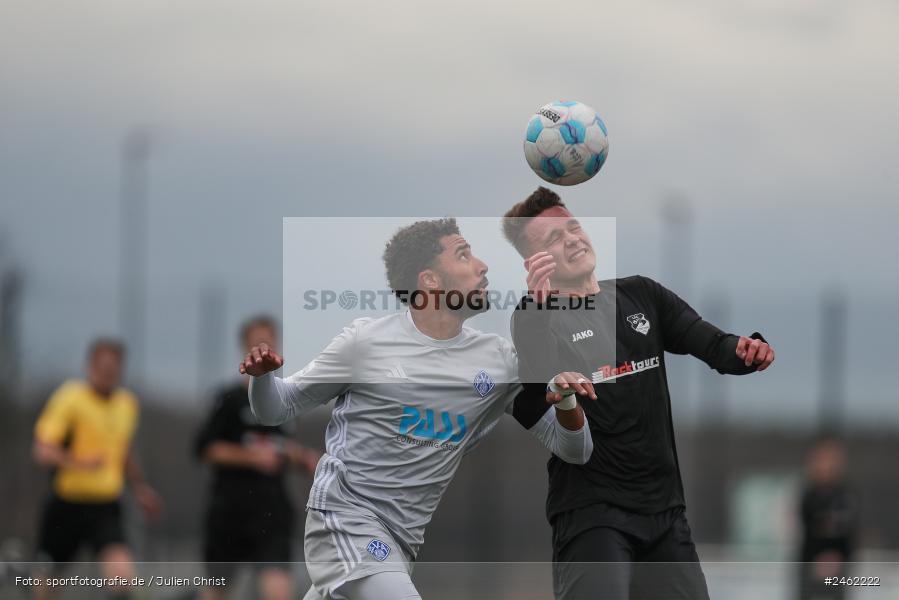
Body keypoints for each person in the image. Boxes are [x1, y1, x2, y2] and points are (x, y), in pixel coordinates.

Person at [242, 218, 596, 600]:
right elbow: (276, 408)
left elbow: (575, 449)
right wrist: (262, 378)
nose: (482, 265)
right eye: (464, 254)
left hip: (400, 543)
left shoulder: (500, 363)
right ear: (430, 281)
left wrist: (566, 400)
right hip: (343, 520)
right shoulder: (367, 342)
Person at [502, 187, 776, 600]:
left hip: (665, 515)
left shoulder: (641, 295)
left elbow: (714, 344)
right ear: (534, 262)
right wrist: (539, 312)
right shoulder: (533, 315)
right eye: (553, 239)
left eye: (573, 227)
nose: (572, 239)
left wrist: (746, 350)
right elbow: (539, 380)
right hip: (593, 518)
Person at [194, 315, 321, 600]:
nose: (263, 349)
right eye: (256, 343)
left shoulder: (284, 400)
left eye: (269, 342)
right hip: (229, 509)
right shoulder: (227, 399)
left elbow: (279, 447)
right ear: (244, 347)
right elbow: (206, 448)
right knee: (216, 590)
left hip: (271, 512)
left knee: (278, 590)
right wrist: (251, 458)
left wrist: (304, 459)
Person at [32, 338, 162, 600]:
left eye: (113, 368)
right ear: (89, 366)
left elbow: (123, 449)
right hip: (66, 503)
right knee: (46, 586)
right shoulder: (70, 399)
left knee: (123, 579)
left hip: (105, 506)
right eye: (102, 367)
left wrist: (139, 488)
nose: (107, 373)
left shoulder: (127, 404)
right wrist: (79, 462)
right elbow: (42, 451)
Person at [797, 437, 857, 600]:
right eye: (822, 460)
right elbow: (810, 527)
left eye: (831, 461)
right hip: (811, 564)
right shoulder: (809, 495)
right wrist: (819, 559)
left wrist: (837, 557)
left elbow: (849, 531)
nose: (826, 466)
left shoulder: (845, 495)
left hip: (838, 566)